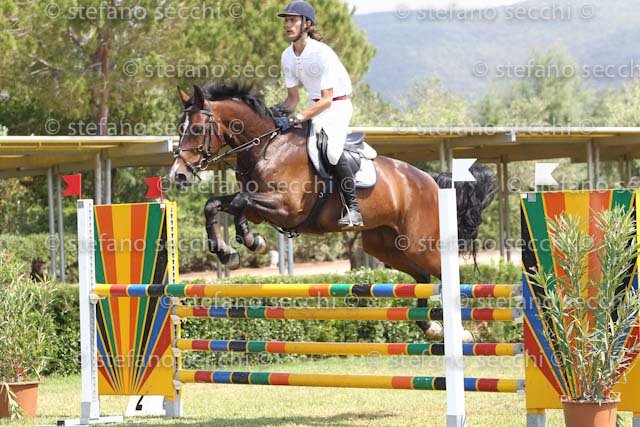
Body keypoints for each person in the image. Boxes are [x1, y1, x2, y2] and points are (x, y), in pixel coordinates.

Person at [275, 0, 363, 228]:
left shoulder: (322, 53)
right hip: (314, 106)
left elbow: (326, 100)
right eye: (286, 21)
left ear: (307, 24)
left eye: (293, 20)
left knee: (332, 152)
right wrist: (275, 113)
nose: (287, 25)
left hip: (337, 106)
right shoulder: (287, 56)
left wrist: (297, 117)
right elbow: (293, 100)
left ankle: (353, 209)